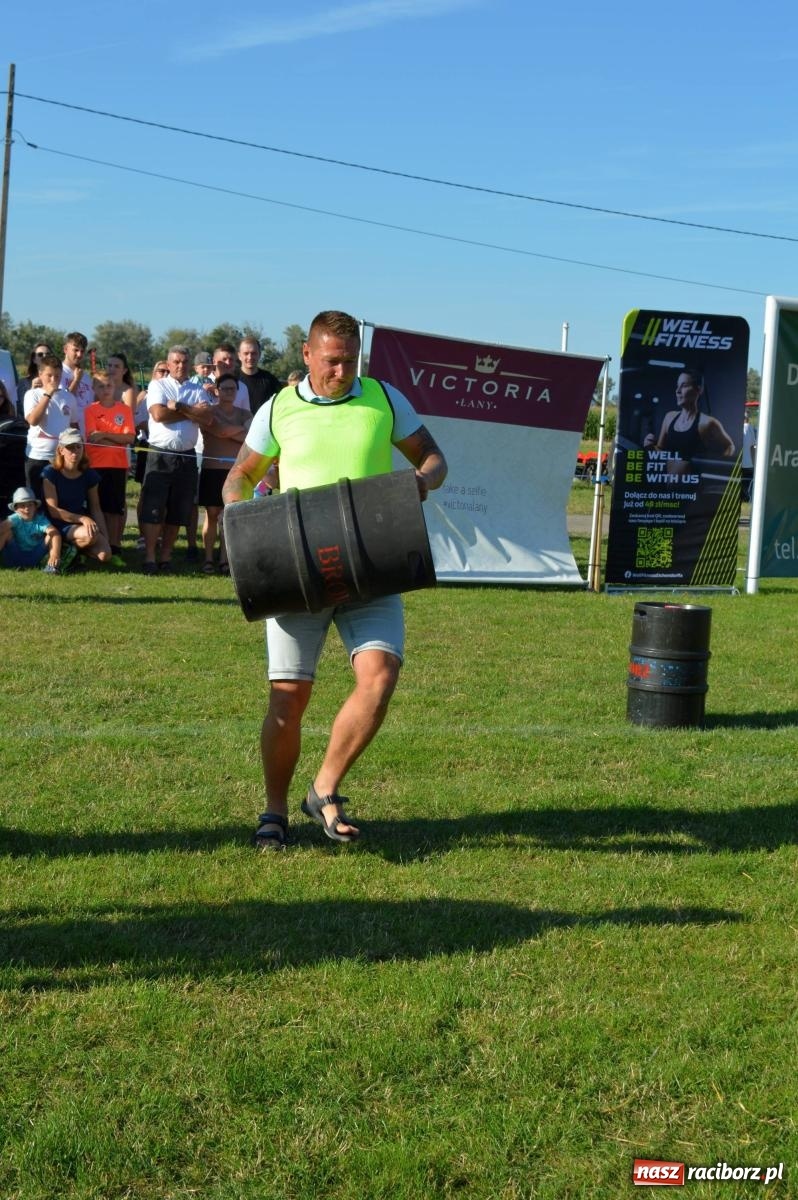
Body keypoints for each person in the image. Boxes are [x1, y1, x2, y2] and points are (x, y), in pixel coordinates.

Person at [222, 309, 447, 850]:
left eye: (349, 362)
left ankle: (323, 788)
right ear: (306, 355)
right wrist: (248, 520)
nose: (341, 372)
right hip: (297, 570)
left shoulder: (385, 399)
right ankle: (274, 811)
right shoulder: (279, 408)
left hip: (373, 564)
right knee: (288, 696)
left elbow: (435, 459)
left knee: (380, 675)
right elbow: (239, 477)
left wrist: (420, 481)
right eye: (331, 362)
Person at [139, 345, 213, 573]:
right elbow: (159, 415)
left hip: (187, 457)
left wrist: (179, 406)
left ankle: (166, 557)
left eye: (184, 362)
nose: (180, 366)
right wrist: (191, 411)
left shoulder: (197, 389)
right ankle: (150, 557)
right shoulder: (158, 385)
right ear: (169, 364)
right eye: (176, 362)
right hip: (160, 454)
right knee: (154, 508)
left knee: (178, 510)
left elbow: (207, 418)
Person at [199, 373, 250, 574]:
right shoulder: (207, 411)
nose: (229, 392)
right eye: (225, 389)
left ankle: (226, 559)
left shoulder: (245, 413)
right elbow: (218, 431)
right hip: (212, 469)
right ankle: (208, 558)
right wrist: (236, 431)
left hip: (235, 471)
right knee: (211, 514)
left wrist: (229, 431)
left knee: (230, 516)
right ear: (217, 391)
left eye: (233, 389)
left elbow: (248, 438)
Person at [84, 370, 135, 562]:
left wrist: (104, 435)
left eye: (109, 385)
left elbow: (129, 438)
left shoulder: (124, 410)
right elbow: (92, 438)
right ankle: (99, 545)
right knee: (97, 506)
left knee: (114, 508)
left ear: (115, 387)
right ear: (94, 389)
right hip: (96, 464)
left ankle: (115, 545)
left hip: (117, 465)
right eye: (101, 386)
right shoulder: (90, 410)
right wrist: (117, 440)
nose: (105, 390)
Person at [42, 428, 111, 565]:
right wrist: (82, 518)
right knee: (89, 536)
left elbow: (95, 508)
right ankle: (61, 548)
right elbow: (53, 511)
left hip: (79, 523)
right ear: (61, 450)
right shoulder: (50, 473)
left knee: (105, 555)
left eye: (78, 447)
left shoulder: (89, 474)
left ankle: (72, 553)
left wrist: (106, 538)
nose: (75, 451)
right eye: (70, 447)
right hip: (57, 523)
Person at [643, 368, 735, 465]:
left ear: (699, 389)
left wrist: (717, 467)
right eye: (677, 386)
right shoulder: (669, 417)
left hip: (693, 479)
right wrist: (650, 447)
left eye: (684, 386)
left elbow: (730, 446)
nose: (678, 391)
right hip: (669, 479)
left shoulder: (707, 423)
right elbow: (660, 450)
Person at [23, 352, 76, 499]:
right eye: (49, 375)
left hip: (61, 458)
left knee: (60, 500)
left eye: (57, 376)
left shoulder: (69, 397)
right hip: (38, 457)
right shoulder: (32, 394)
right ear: (40, 374)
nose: (54, 380)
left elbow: (73, 425)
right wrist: (48, 395)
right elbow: (33, 420)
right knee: (37, 501)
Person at [0, 485, 64, 572]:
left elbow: (55, 533)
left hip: (35, 557)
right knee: (6, 532)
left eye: (30, 505)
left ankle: (51, 566)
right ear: (16, 509)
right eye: (22, 505)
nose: (27, 509)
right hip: (15, 555)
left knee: (51, 535)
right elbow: (2, 528)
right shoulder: (14, 519)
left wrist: (55, 555)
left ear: (35, 506)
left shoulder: (40, 520)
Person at [60, 332, 95, 436]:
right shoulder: (57, 374)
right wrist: (76, 380)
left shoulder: (86, 377)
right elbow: (64, 400)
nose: (79, 354)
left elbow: (90, 405)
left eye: (82, 351)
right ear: (65, 349)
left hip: (84, 434)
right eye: (75, 350)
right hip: (65, 434)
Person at [238, 336, 282, 415]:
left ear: (259, 355)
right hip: (238, 425)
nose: (250, 357)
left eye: (253, 353)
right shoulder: (232, 379)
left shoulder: (270, 380)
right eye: (246, 353)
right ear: (239, 356)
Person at [17, 343, 52, 412]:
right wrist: (32, 390)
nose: (44, 356)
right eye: (40, 354)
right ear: (34, 360)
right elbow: (23, 409)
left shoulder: (57, 379)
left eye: (48, 354)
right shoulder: (24, 383)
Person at [741, 412, 757, 502]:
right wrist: (755, 463)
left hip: (739, 462)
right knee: (748, 482)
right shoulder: (748, 427)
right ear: (747, 418)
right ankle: (746, 498)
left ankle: (743, 498)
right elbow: (752, 447)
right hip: (748, 463)